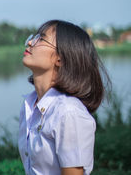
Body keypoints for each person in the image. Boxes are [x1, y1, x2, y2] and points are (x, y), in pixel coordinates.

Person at [18, 19, 111, 175]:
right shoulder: (30, 105)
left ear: (60, 58)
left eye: (41, 38)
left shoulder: (68, 113)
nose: (30, 43)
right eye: (33, 37)